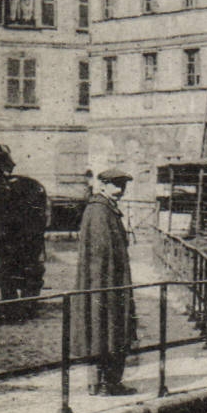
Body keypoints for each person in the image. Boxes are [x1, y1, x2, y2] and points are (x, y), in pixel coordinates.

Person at [74, 167, 137, 396]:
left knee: (106, 329)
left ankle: (105, 382)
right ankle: (104, 384)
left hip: (108, 283)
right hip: (105, 284)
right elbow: (102, 255)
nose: (120, 190)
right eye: (115, 185)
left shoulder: (105, 209)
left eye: (123, 185)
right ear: (102, 185)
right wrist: (108, 286)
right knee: (104, 327)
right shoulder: (100, 211)